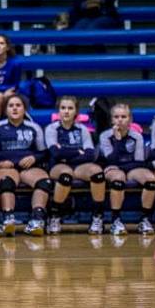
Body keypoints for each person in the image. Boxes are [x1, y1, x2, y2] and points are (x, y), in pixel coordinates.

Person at [45, 96, 106, 236]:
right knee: (66, 175)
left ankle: (97, 216)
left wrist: (66, 152)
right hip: (58, 166)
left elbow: (90, 154)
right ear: (58, 111)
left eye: (70, 108)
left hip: (79, 166)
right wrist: (78, 151)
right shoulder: (51, 129)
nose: (66, 111)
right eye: (63, 108)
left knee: (97, 173)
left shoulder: (82, 129)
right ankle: (54, 215)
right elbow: (55, 153)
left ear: (76, 111)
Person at [0, 94, 49, 237]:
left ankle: (36, 220)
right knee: (7, 182)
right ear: (5, 110)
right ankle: (8, 219)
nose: (15, 108)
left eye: (18, 105)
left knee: (44, 182)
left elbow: (44, 153)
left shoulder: (34, 127)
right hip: (6, 167)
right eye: (11, 106)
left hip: (27, 167)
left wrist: (34, 157)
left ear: (24, 109)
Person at [98, 104, 155, 236]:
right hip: (113, 169)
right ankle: (115, 220)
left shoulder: (137, 136)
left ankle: (145, 219)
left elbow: (139, 162)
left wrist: (121, 167)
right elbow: (110, 160)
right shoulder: (105, 136)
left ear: (130, 119)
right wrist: (118, 141)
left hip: (131, 168)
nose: (120, 120)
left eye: (124, 116)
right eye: (116, 117)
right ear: (112, 120)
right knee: (118, 178)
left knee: (151, 180)